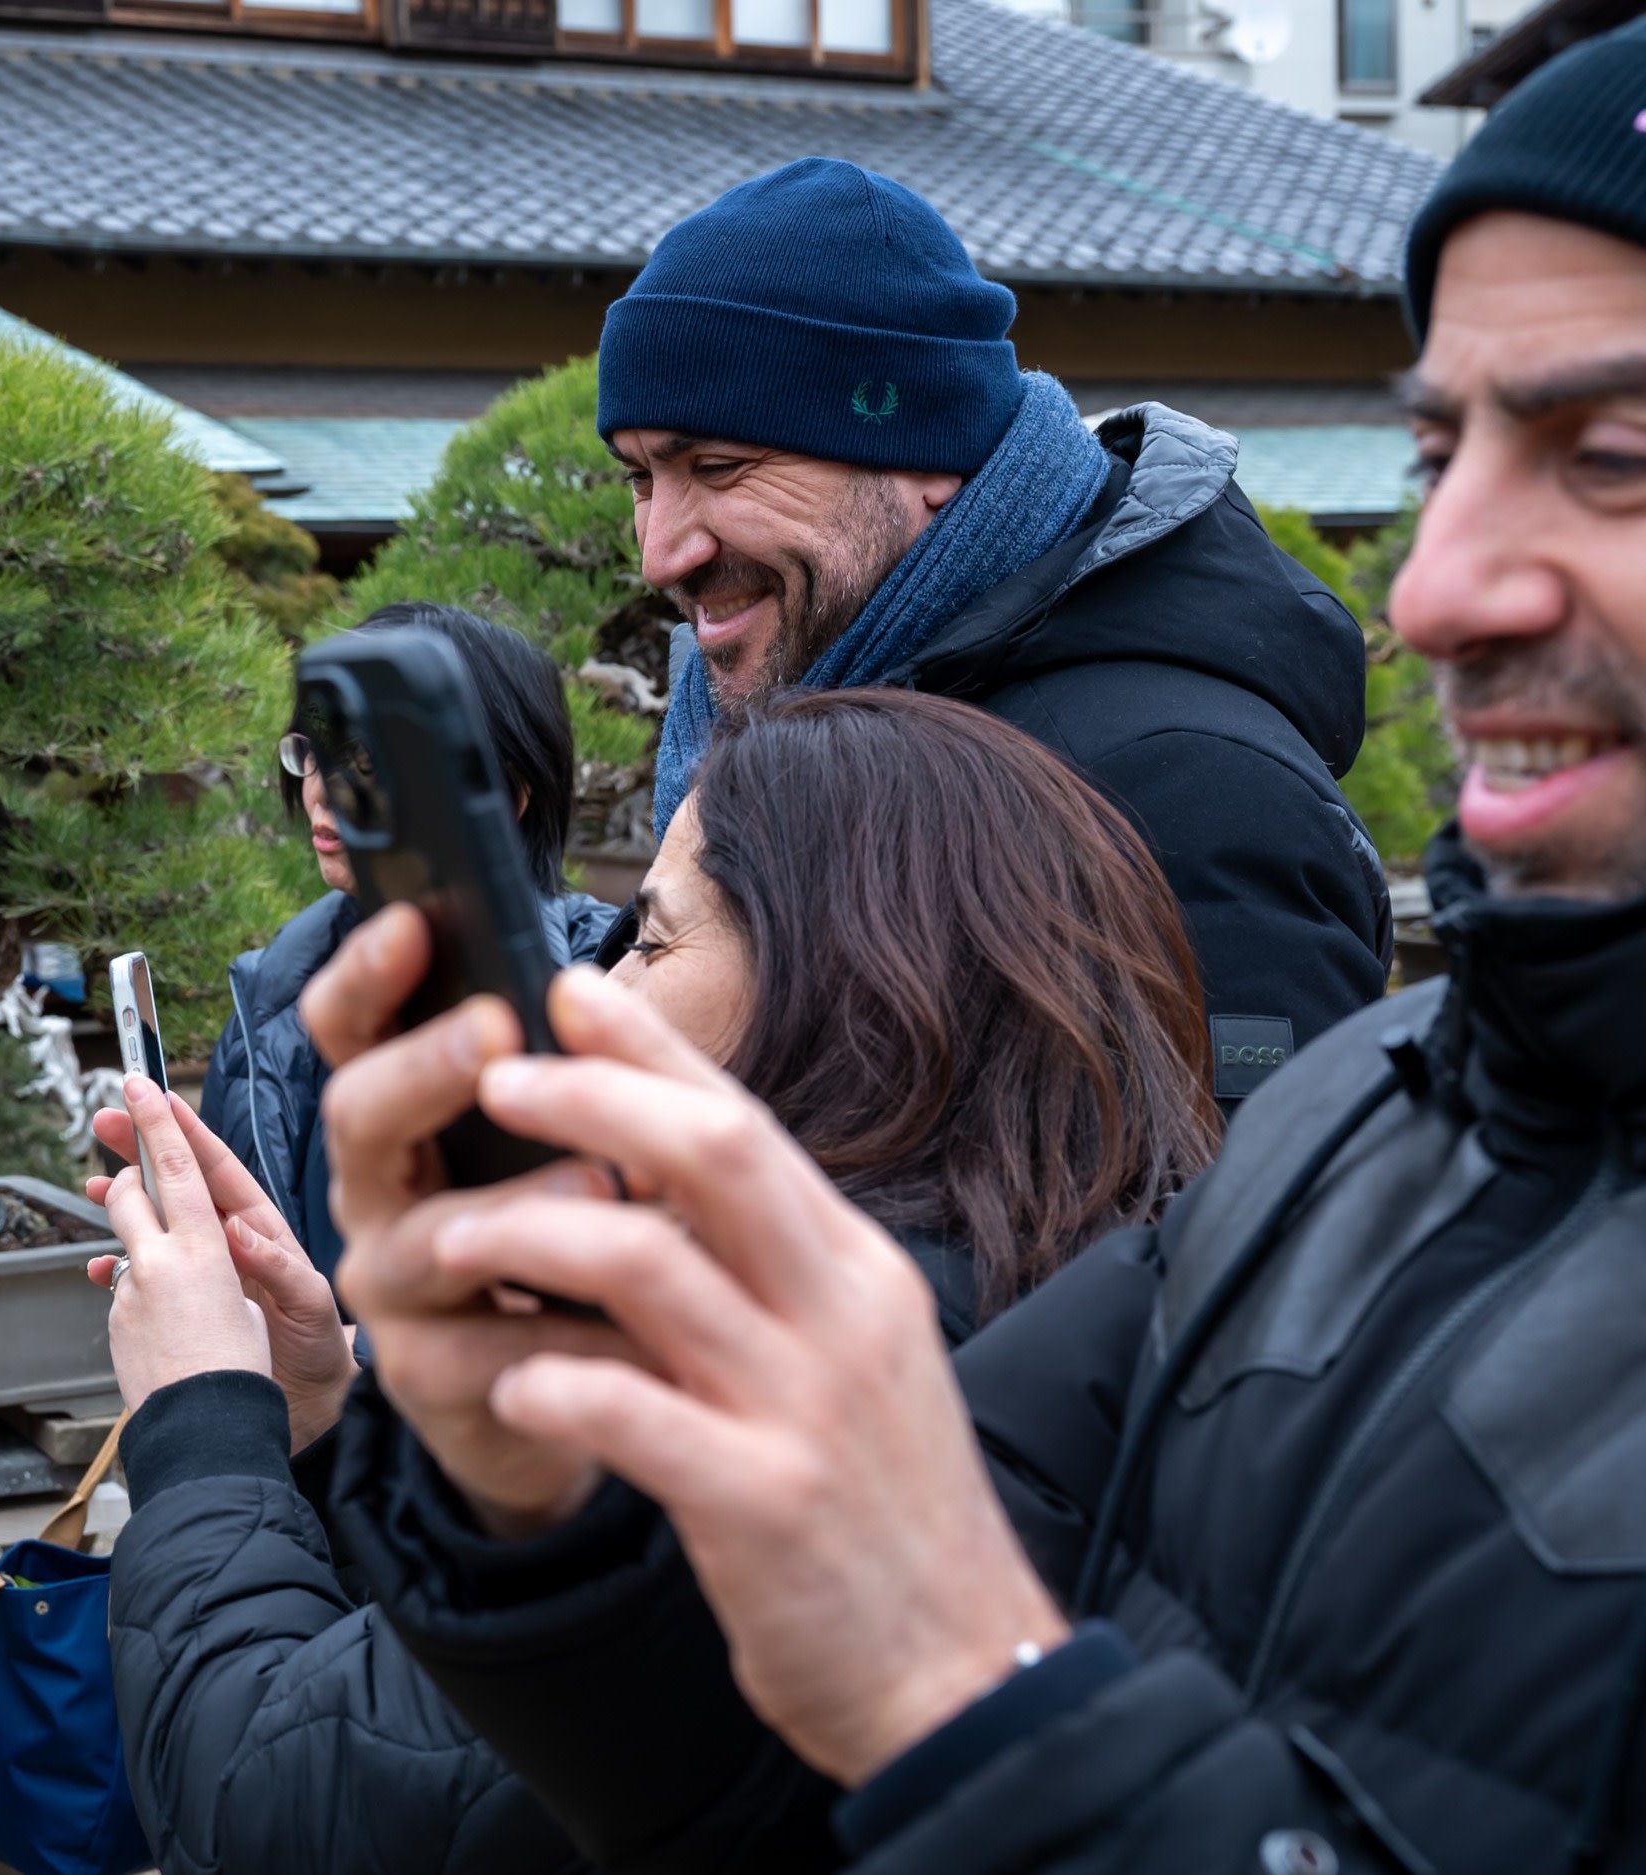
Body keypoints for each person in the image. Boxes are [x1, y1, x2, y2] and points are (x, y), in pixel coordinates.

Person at [306, 30, 1646, 1872]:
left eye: (1616, 456)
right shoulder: (1380, 1122)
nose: (1432, 587)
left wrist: (973, 1685)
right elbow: (799, 1729)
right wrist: (542, 1507)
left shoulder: (1182, 781)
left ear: (915, 458)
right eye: (1441, 448)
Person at [86, 688, 1221, 1875]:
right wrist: (328, 1413)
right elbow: (466, 1727)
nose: (592, 995)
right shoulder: (1118, 1313)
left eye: (651, 940)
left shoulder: (763, 1418)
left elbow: (263, 1806)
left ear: (848, 990)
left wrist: (203, 1420)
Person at [608, 156, 1390, 1104]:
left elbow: (1260, 1227)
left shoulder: (1188, 796)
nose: (662, 552)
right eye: (642, 478)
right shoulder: (784, 704)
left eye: (722, 466)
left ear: (924, 449)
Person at [202, 602, 618, 1283]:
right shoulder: (264, 998)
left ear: (504, 793)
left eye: (367, 760)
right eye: (314, 752)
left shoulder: (608, 978)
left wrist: (355, 1356)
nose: (322, 793)